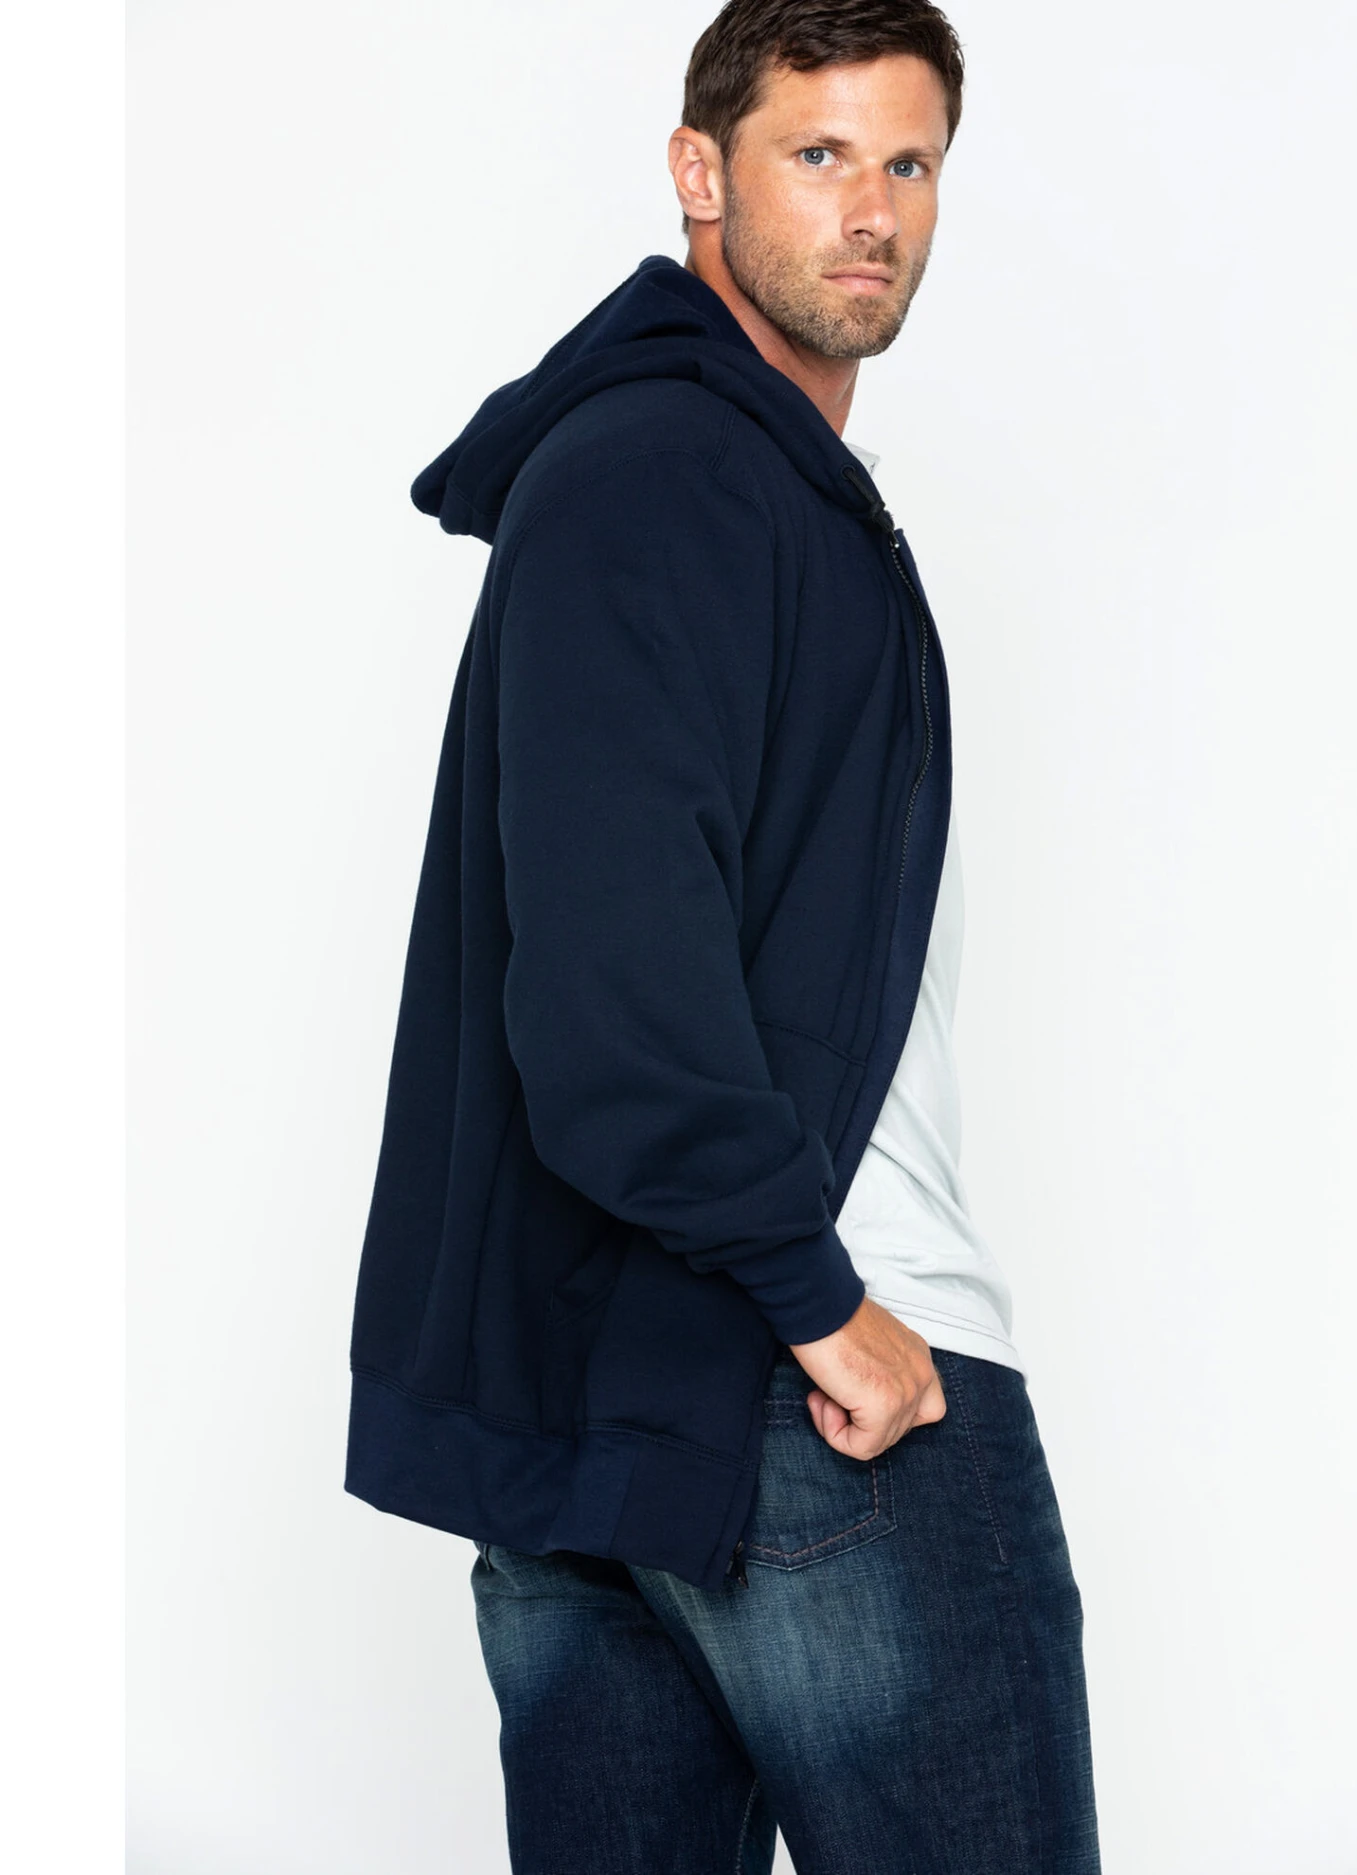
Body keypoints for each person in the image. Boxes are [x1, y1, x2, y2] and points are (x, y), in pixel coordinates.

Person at [344, 2, 1103, 1868]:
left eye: (909, 162)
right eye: (817, 154)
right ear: (701, 171)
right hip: (799, 1369)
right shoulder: (674, 472)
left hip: (611, 1406)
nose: (873, 210)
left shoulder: (703, 481)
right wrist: (826, 1303)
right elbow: (614, 987)